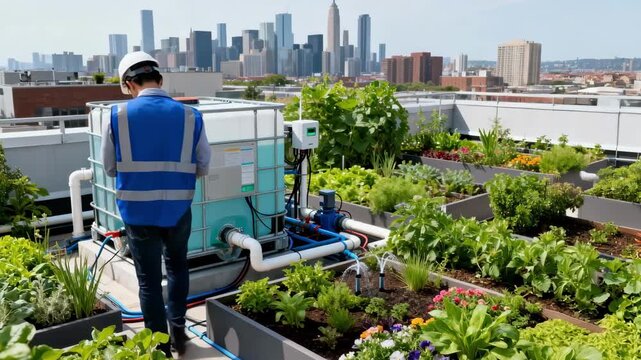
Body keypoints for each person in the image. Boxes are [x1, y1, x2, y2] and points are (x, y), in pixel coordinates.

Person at [101, 51, 211, 357]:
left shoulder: (117, 116)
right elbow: (203, 165)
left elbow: (109, 167)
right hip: (178, 210)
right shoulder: (191, 116)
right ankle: (179, 332)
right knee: (178, 268)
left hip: (137, 213)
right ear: (160, 80)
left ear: (128, 84)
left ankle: (158, 346)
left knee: (148, 281)